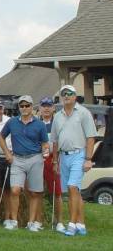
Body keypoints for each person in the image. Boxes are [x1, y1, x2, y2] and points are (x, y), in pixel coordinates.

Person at [51, 85, 97, 236]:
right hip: (64, 156)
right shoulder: (57, 116)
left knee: (72, 187)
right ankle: (80, 224)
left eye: (69, 93)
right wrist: (55, 161)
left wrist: (88, 159)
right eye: (63, 94)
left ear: (75, 96)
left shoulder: (83, 113)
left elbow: (91, 137)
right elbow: (55, 141)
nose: (66, 96)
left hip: (79, 154)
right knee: (73, 192)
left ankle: (71, 224)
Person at [0, 95, 48, 231]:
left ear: (32, 107)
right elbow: (1, 138)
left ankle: (31, 222)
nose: (24, 108)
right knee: (15, 190)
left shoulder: (39, 124)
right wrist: (7, 153)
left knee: (34, 192)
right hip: (18, 159)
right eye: (22, 106)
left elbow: (44, 143)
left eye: (27, 106)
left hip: (35, 158)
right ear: (19, 107)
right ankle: (13, 221)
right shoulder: (12, 122)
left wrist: (46, 150)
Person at [38, 96, 63, 231]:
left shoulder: (57, 123)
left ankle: (59, 222)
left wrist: (55, 161)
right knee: (38, 191)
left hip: (53, 159)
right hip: (38, 159)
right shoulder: (36, 123)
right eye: (43, 106)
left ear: (53, 108)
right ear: (40, 108)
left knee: (56, 192)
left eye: (49, 106)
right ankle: (40, 220)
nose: (46, 108)